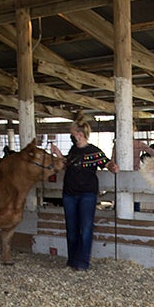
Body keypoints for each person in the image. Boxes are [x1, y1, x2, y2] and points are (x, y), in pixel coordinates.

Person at [50, 112, 119, 271]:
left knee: (86, 228)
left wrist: (113, 167)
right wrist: (58, 154)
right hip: (69, 193)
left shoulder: (94, 151)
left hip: (87, 194)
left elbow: (105, 162)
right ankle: (72, 261)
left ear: (80, 135)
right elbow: (69, 163)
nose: (71, 136)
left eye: (72, 134)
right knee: (72, 229)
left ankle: (82, 263)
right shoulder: (74, 150)